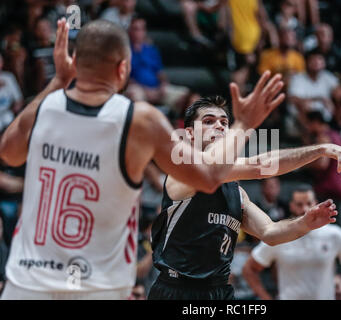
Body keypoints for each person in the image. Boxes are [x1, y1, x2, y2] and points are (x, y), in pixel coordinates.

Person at [0, 18, 285, 300]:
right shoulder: (139, 119)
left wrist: (59, 82)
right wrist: (243, 124)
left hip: (29, 278)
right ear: (123, 68)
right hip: (98, 282)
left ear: (75, 63)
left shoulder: (45, 109)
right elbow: (210, 177)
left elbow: (7, 153)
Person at [149, 95, 341, 300]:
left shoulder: (237, 193)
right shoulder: (182, 173)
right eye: (208, 121)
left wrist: (305, 223)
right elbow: (260, 166)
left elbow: (270, 233)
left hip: (219, 290)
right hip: (177, 290)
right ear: (190, 134)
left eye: (225, 122)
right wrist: (320, 149)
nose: (220, 126)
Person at [242, 184, 341, 300]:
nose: (305, 209)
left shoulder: (333, 234)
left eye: (308, 203)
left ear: (316, 204)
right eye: (299, 204)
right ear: (291, 206)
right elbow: (249, 269)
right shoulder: (279, 234)